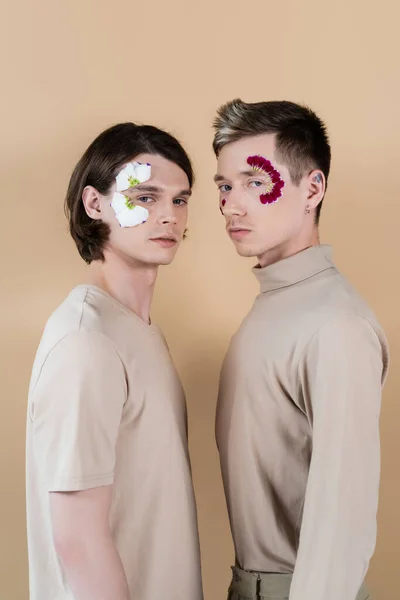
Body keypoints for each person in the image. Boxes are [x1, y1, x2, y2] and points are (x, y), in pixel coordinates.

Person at [213, 99, 388, 600]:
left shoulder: (336, 326)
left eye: (255, 182)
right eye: (224, 187)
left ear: (313, 188)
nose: (232, 204)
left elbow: (342, 527)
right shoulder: (276, 305)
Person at [26, 122, 203, 600]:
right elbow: (77, 538)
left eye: (180, 199)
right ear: (94, 203)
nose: (168, 215)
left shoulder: (138, 332)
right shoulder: (88, 342)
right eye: (144, 197)